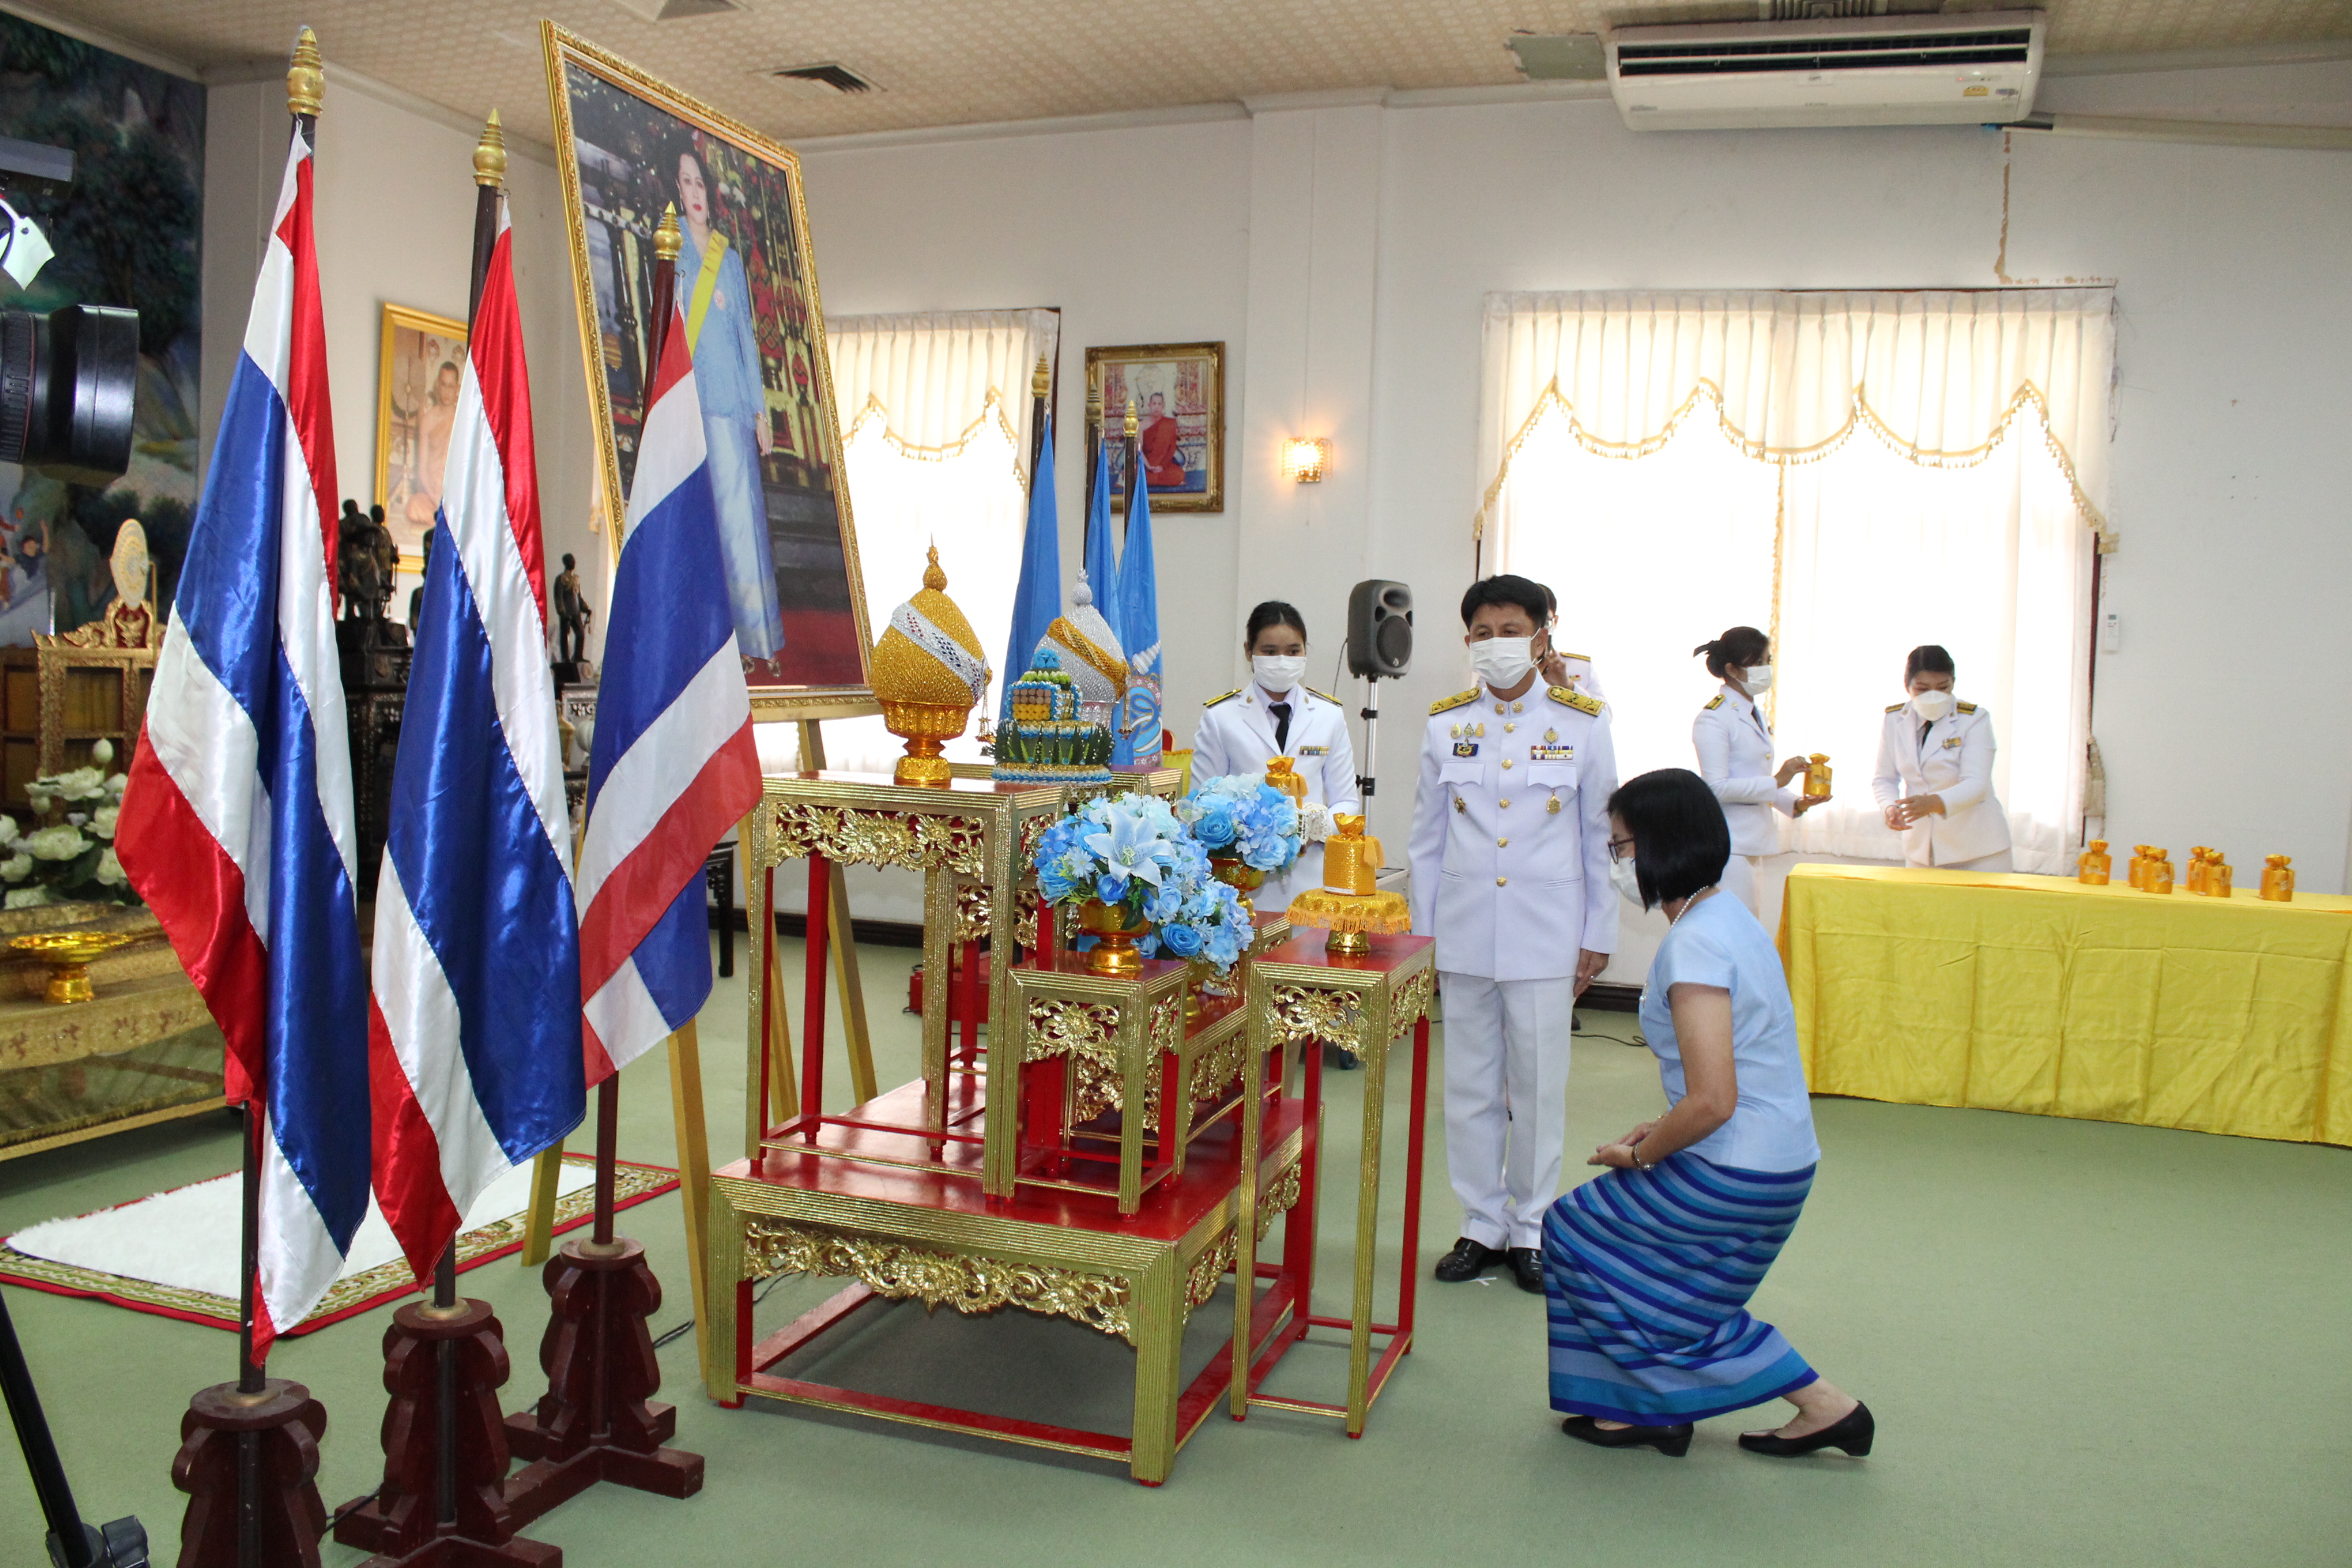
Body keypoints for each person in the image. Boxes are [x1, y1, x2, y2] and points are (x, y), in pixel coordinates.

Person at [1546, 766, 1874, 1460]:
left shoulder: (1693, 944)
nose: (1617, 863)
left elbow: (1712, 1100)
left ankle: (1822, 1402)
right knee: (1643, 1273)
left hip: (1740, 1169)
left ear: (1661, 846)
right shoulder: (1726, 915)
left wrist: (1642, 1154)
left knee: (1577, 1235)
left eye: (1622, 847)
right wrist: (1659, 1134)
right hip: (1777, 1158)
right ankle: (1649, 1408)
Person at [1410, 574, 1616, 1294]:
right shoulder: (1444, 724)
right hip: (1465, 932)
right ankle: (1480, 1223)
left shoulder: (1581, 722)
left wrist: (1599, 929)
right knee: (1468, 1085)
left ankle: (1531, 1228)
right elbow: (1426, 843)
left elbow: (1599, 838)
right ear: (1467, 640)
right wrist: (1422, 937)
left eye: (1511, 629)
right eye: (1482, 632)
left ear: (1542, 632)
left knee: (1535, 1086)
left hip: (1545, 934)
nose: (1496, 643)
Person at [674, 147, 786, 662]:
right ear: (678, 190)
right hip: (696, 403)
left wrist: (760, 413)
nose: (695, 193)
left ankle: (755, 638)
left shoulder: (729, 258)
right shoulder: (673, 252)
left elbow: (747, 336)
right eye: (686, 183)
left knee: (743, 521)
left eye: (700, 183)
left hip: (735, 407)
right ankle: (715, 642)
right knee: (708, 525)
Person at [1192, 600, 1356, 909]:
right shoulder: (1221, 717)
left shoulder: (1328, 715)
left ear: (1306, 651)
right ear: (1248, 652)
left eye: (1293, 651)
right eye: (1269, 651)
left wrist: (1311, 826)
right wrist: (1250, 828)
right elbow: (1201, 805)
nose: (1282, 661)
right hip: (1243, 888)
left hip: (1312, 882)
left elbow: (1346, 801)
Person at [1689, 625, 1825, 915]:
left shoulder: (1752, 711)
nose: (1767, 670)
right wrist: (1778, 779)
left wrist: (1796, 803)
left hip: (1753, 845)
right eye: (1759, 663)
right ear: (1732, 670)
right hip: (1730, 847)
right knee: (1735, 935)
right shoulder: (1714, 718)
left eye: (1768, 661)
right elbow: (1716, 788)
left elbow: (1753, 776)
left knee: (1750, 931)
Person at [1870, 644, 2012, 870]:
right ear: (1908, 686)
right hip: (1921, 851)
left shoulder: (1974, 719)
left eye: (1942, 687)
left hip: (1978, 850)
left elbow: (1977, 784)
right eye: (1922, 689)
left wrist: (1933, 803)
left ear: (1953, 683)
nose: (1933, 696)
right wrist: (1890, 808)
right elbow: (1884, 779)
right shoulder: (1895, 719)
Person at [1535, 584, 1605, 700]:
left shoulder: (1582, 667)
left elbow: (1604, 716)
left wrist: (1568, 686)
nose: (1538, 630)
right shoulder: (1502, 667)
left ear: (1555, 621)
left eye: (1545, 622)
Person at [1139, 388, 1186, 489]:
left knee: (1179, 474)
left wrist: (1162, 467)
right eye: (1154, 404)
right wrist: (1148, 466)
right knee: (1134, 474)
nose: (1157, 407)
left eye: (1159, 404)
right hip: (1147, 466)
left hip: (1163, 467)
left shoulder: (1169, 424)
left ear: (1163, 407)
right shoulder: (1142, 425)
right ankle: (1151, 479)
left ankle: (1150, 480)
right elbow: (1139, 450)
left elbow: (1172, 449)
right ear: (1149, 405)